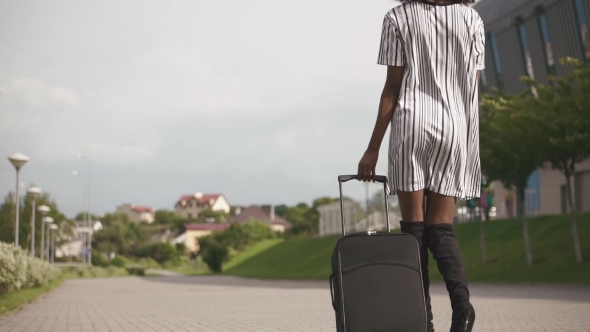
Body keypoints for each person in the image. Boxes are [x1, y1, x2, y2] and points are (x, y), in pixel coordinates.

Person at [356, 0, 483, 331]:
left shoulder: (397, 18)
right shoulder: (472, 19)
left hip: (411, 126)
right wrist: (468, 144)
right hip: (454, 128)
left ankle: (422, 321)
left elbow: (392, 89)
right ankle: (462, 307)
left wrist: (372, 150)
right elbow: (472, 89)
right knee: (441, 228)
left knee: (414, 232)